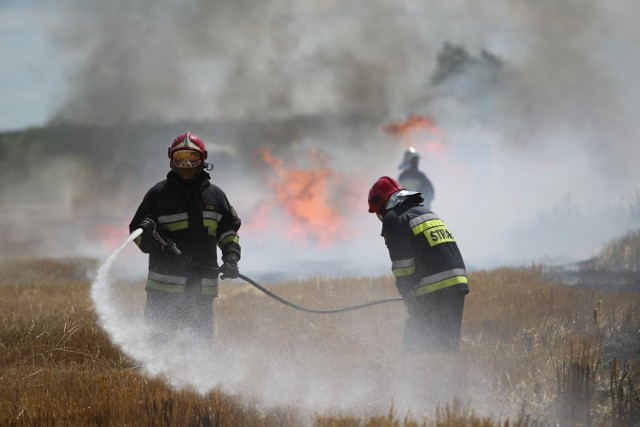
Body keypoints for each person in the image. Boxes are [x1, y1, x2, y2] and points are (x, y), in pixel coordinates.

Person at [129, 131, 241, 347]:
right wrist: (152, 238)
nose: (187, 164)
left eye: (193, 158)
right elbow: (137, 234)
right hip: (163, 291)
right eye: (180, 158)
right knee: (158, 348)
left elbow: (229, 233)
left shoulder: (216, 197)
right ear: (171, 158)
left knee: (200, 349)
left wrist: (231, 259)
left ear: (203, 159)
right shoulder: (158, 195)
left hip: (201, 289)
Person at [368, 176, 468, 353]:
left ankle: (419, 379)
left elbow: (403, 267)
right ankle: (450, 379)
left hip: (435, 287)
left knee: (417, 346)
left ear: (382, 203)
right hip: (457, 283)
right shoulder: (424, 212)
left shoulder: (394, 218)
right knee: (446, 346)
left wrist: (410, 300)